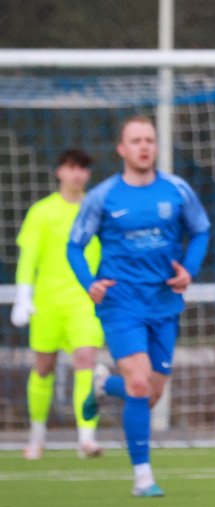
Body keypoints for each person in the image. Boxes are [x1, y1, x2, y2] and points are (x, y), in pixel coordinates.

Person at [68, 116, 211, 497]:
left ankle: (102, 385)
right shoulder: (102, 196)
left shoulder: (176, 190)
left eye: (149, 140)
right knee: (138, 382)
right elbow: (74, 246)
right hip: (121, 304)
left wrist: (189, 270)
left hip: (164, 303)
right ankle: (143, 476)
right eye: (136, 140)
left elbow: (200, 230)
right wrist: (90, 283)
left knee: (149, 394)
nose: (144, 146)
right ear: (121, 149)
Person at [11, 149, 104, 460]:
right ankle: (37, 436)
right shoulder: (42, 212)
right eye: (71, 167)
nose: (77, 174)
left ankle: (87, 438)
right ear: (60, 171)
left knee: (86, 361)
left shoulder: (96, 208)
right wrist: (24, 296)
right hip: (48, 303)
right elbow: (29, 257)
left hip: (84, 301)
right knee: (43, 368)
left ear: (88, 174)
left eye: (83, 168)